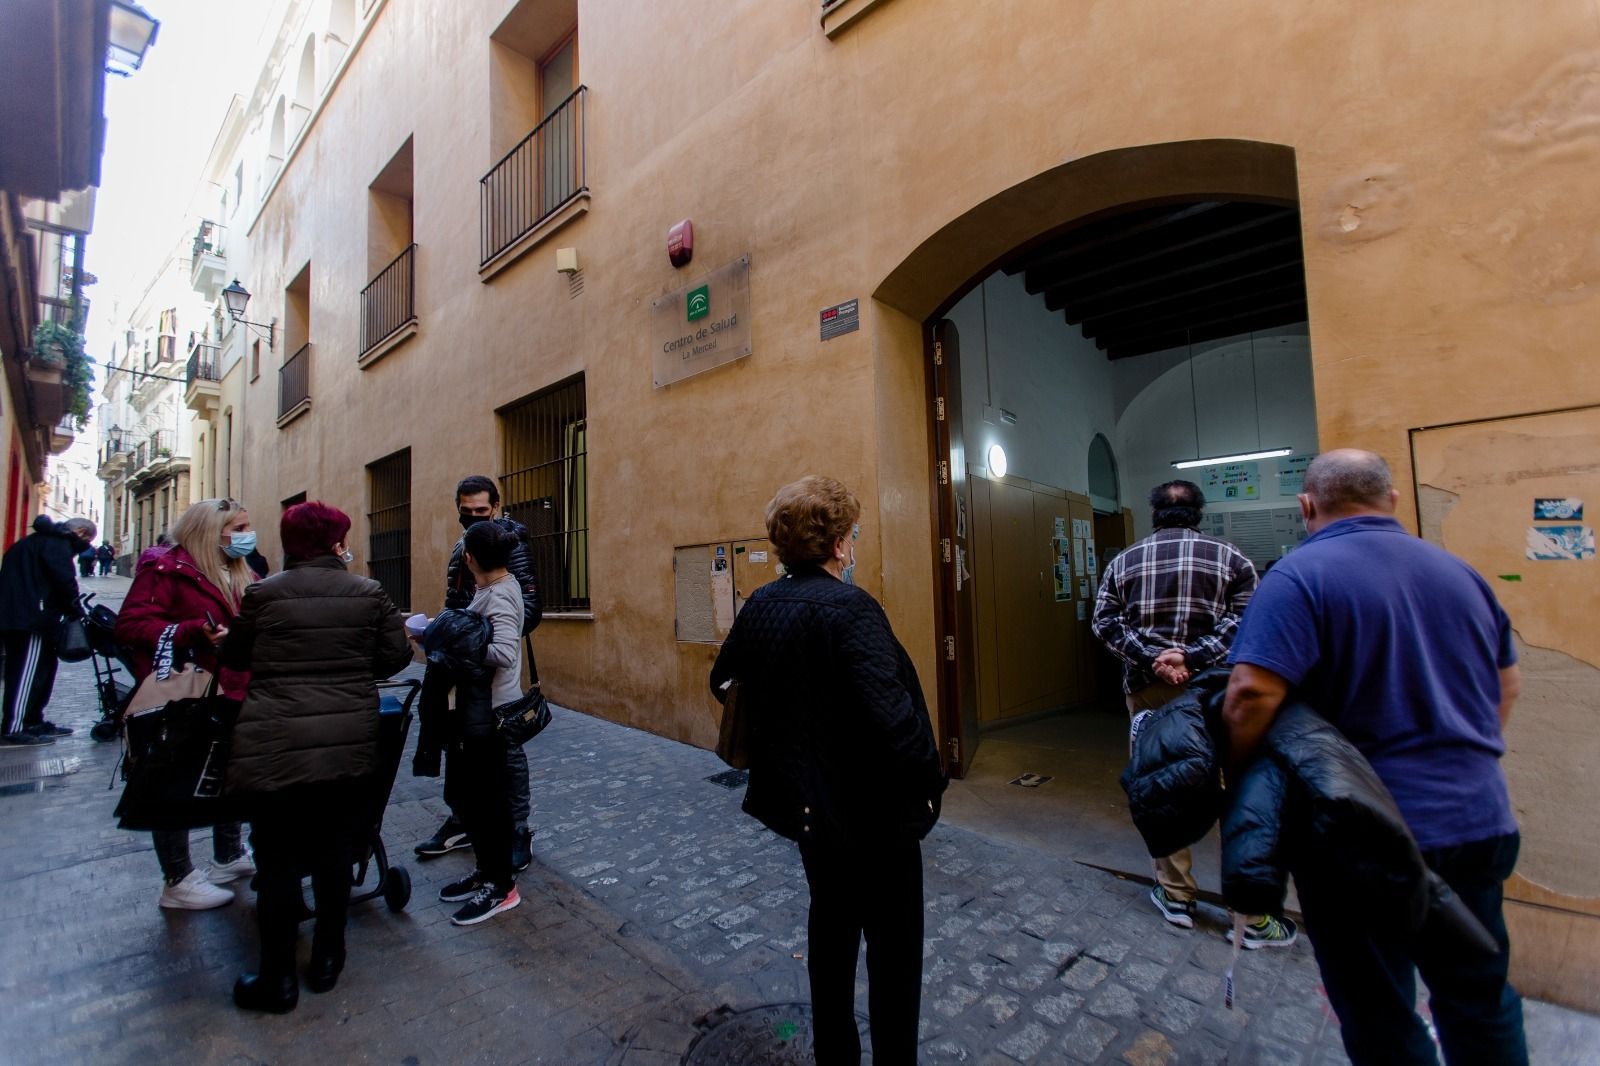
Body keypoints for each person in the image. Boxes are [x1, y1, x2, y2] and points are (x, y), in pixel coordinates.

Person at [1223, 449, 1527, 1065]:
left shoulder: (1299, 577)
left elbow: (1251, 692)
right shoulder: (1459, 574)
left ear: (1306, 505)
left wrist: (1239, 771)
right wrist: (1461, 760)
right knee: (1479, 996)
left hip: (1357, 833)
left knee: (1378, 1007)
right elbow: (1507, 683)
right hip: (1475, 819)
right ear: (1391, 500)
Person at [709, 476, 946, 1065]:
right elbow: (895, 722)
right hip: (874, 816)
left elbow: (723, 681)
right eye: (852, 533)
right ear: (839, 544)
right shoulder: (852, 608)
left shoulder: (762, 603)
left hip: (808, 809)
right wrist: (929, 783)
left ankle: (834, 1055)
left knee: (831, 932)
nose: (854, 542)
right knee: (893, 955)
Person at [223, 502, 412, 1013]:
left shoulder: (263, 594)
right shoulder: (368, 593)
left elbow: (236, 658)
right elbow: (396, 658)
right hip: (348, 744)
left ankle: (277, 980)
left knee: (278, 863)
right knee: (335, 855)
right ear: (335, 543)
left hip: (274, 746)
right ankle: (328, 961)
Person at [1089, 481, 1286, 941]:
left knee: (1163, 783)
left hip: (1149, 689)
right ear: (1198, 513)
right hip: (1215, 691)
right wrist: (1193, 657)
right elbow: (1247, 619)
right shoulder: (1231, 559)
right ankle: (1249, 912)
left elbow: (1105, 622)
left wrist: (1153, 658)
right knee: (1233, 786)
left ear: (1154, 512)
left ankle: (1176, 894)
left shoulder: (1125, 561)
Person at [114, 500, 256, 910]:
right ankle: (177, 878)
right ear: (212, 532)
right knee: (173, 779)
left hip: (231, 689)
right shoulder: (166, 571)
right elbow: (130, 626)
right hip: (185, 696)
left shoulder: (239, 571)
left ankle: (228, 855)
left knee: (231, 771)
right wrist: (191, 632)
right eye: (240, 527)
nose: (247, 534)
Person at [413, 475, 542, 872]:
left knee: (507, 749)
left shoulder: (507, 548)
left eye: (480, 512)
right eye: (465, 513)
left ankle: (517, 829)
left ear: (496, 507)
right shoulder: (463, 547)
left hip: (488, 671)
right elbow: (456, 599)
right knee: (460, 745)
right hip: (461, 667)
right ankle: (463, 821)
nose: (471, 520)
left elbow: (528, 611)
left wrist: (469, 634)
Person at [428, 520, 525, 926]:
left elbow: (502, 651)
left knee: (491, 805)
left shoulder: (500, 594)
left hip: (492, 716)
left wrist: (454, 642)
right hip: (477, 713)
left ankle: (501, 887)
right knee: (478, 802)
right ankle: (487, 872)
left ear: (468, 558)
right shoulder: (492, 587)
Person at [0, 515, 96, 744]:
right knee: (26, 672)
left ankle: (33, 719)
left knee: (38, 669)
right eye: (88, 540)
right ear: (81, 532)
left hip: (24, 615)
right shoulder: (56, 545)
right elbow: (64, 580)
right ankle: (14, 726)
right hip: (30, 618)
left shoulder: (34, 542)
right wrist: (75, 609)